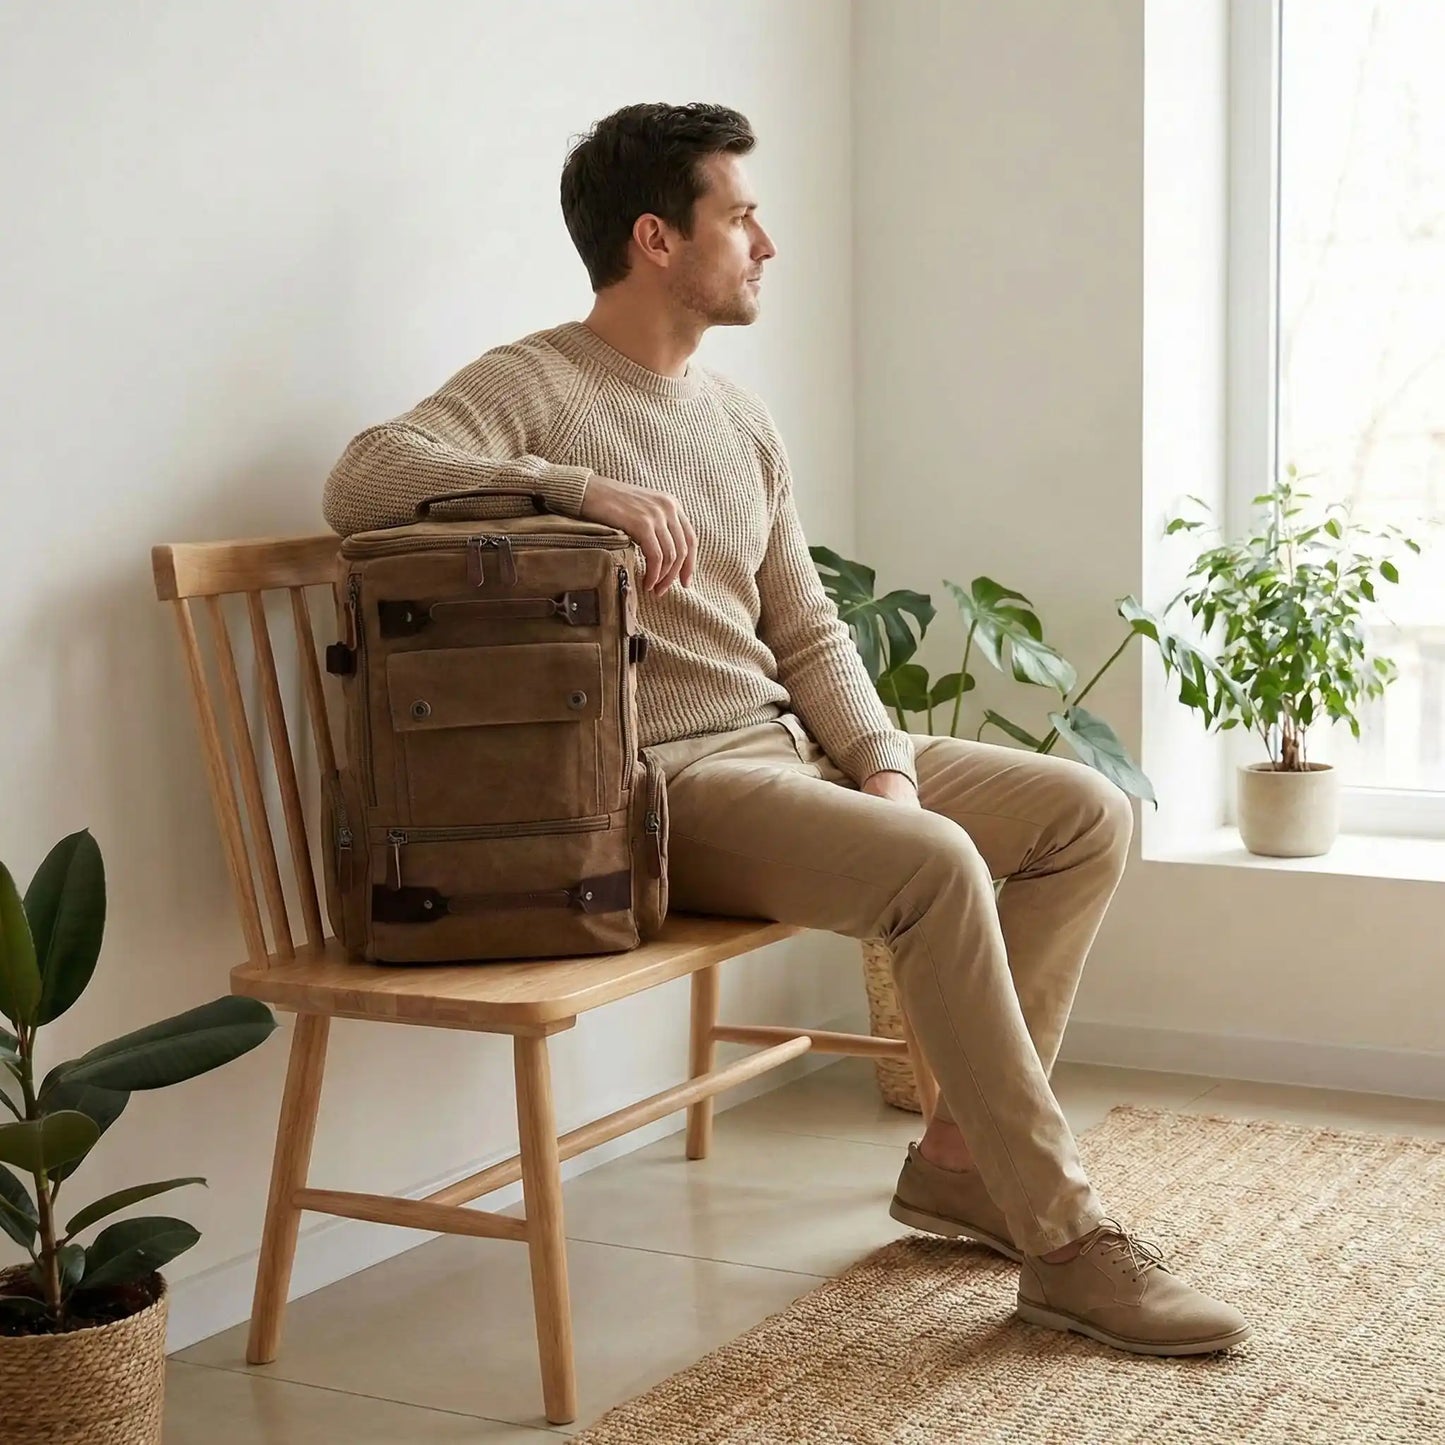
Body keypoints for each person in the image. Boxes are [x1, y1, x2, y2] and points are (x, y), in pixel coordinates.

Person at [322, 102, 1251, 1357]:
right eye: (740, 214)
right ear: (655, 237)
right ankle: (1064, 1241)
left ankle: (966, 1160)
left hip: (787, 752)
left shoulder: (737, 416)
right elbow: (365, 474)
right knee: (931, 868)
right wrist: (574, 488)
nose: (767, 241)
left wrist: (881, 764)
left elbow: (806, 624)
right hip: (667, 786)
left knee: (1080, 813)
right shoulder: (531, 385)